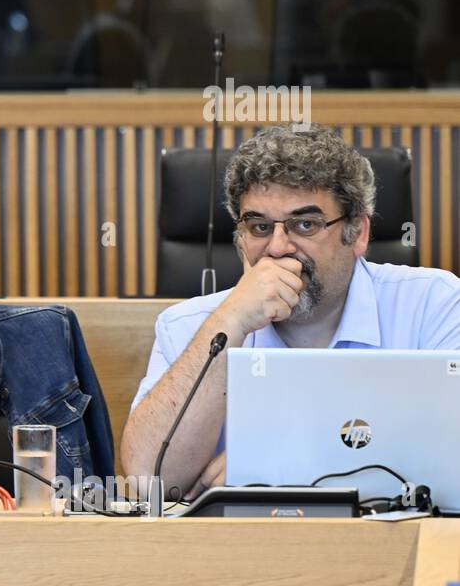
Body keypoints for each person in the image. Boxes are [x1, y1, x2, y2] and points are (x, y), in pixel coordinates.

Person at [122, 124, 460, 498]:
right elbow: (146, 484)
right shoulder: (189, 326)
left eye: (305, 224)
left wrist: (270, 464)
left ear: (357, 233)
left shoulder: (434, 306)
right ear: (238, 240)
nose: (278, 247)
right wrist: (230, 321)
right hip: (237, 548)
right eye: (260, 226)